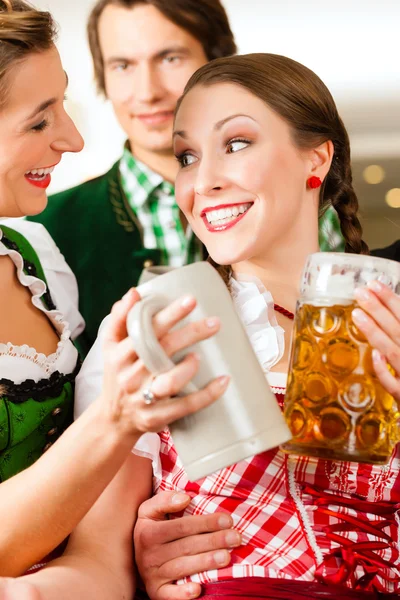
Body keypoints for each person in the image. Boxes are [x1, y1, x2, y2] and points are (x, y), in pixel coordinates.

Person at [12, 53, 400, 599]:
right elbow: (97, 564)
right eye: (187, 156)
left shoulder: (388, 316)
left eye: (236, 144)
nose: (204, 180)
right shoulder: (154, 325)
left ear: (316, 158)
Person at [0, 0, 228, 578]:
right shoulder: (63, 227)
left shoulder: (37, 259)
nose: (73, 141)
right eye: (39, 119)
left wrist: (124, 552)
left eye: (169, 57)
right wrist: (117, 417)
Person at [28, 0, 344, 357]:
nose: (148, 92)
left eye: (170, 58)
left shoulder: (316, 212)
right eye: (122, 65)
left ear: (217, 60)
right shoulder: (44, 232)